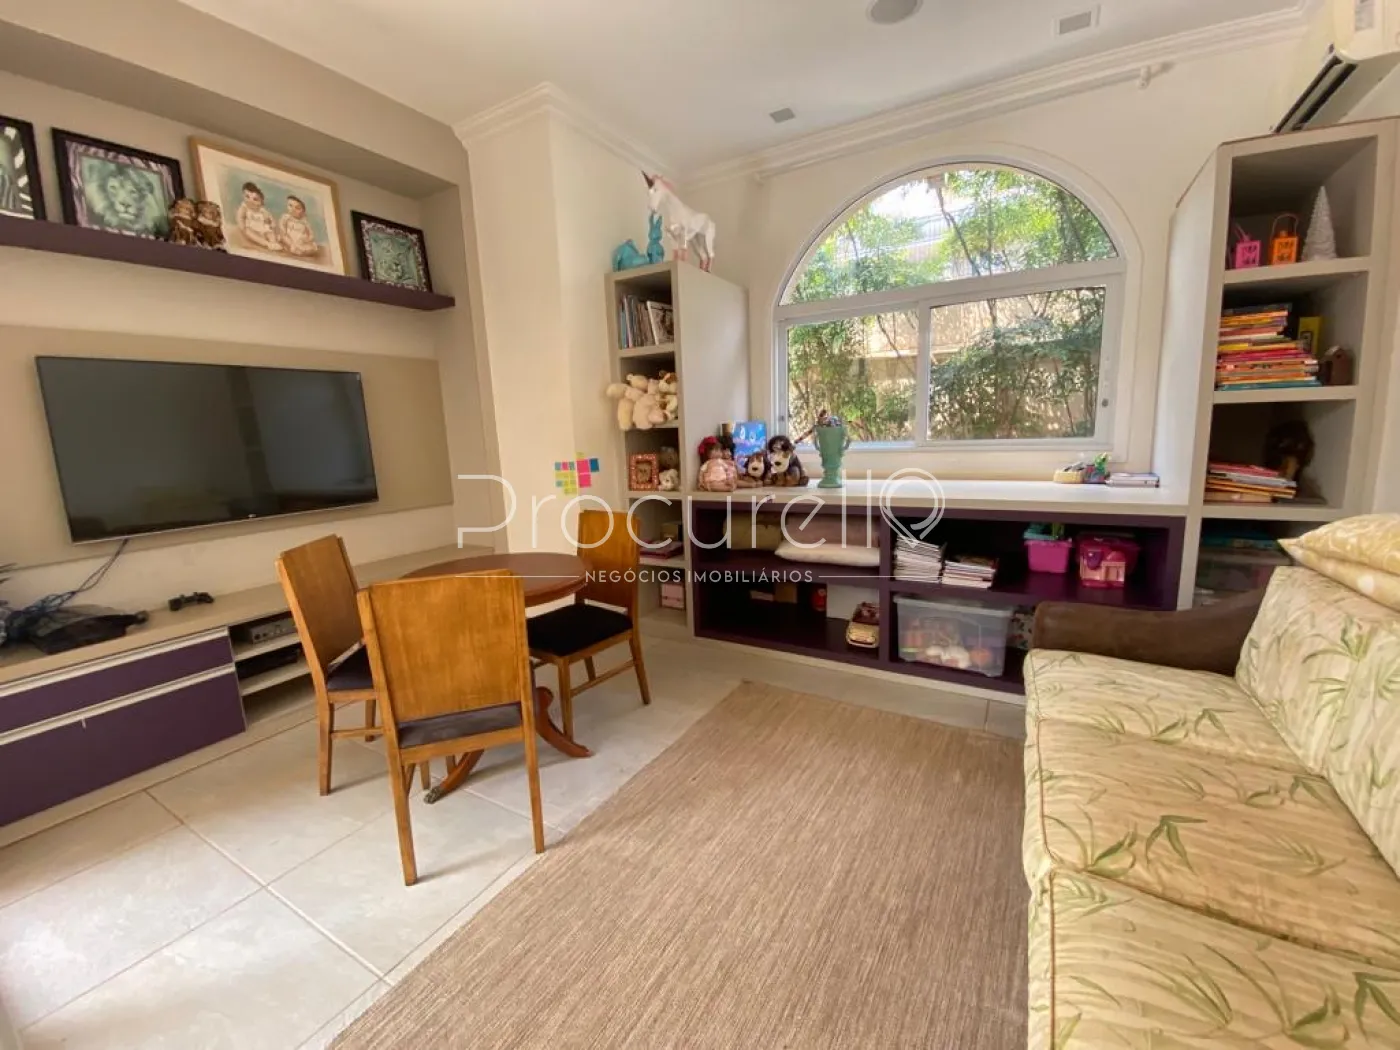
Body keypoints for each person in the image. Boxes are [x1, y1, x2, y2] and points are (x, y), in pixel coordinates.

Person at [236, 182, 281, 251]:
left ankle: (274, 242)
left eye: (255, 199)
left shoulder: (262, 210)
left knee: (270, 232)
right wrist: (242, 226)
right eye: (247, 196)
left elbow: (270, 218)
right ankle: (267, 244)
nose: (250, 201)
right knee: (248, 231)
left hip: (263, 230)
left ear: (261, 203)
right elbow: (240, 217)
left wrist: (271, 224)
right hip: (252, 229)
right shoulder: (244, 208)